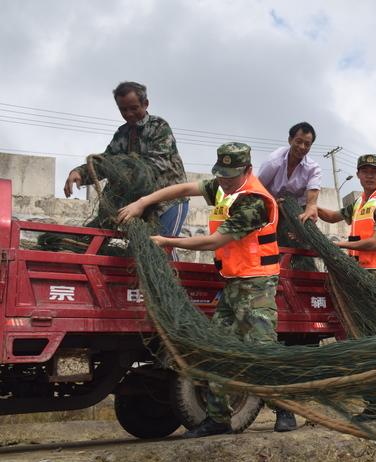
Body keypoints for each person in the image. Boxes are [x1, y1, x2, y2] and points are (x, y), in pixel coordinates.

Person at [117, 142, 297, 437]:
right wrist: (143, 202)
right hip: (233, 282)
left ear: (248, 170)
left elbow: (214, 242)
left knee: (262, 350)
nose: (224, 181)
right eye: (221, 175)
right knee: (215, 349)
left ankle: (285, 408)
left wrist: (167, 242)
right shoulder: (224, 188)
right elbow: (182, 190)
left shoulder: (254, 201)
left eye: (231, 175)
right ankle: (218, 419)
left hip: (258, 284)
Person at [318, 154, 376, 421]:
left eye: (375, 171)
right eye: (365, 171)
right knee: (365, 341)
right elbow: (334, 216)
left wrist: (337, 247)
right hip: (359, 277)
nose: (370, 176)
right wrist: (310, 207)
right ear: (357, 174)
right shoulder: (360, 204)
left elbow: (375, 243)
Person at [64, 81, 189, 242]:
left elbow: (154, 167)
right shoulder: (122, 134)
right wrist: (80, 172)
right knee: (137, 251)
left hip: (168, 202)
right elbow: (107, 161)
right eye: (123, 109)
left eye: (134, 108)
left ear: (145, 104)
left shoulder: (159, 128)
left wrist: (122, 170)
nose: (129, 113)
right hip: (140, 205)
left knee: (161, 247)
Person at [258, 122, 321, 271]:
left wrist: (311, 207)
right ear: (290, 140)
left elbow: (312, 196)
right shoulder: (274, 161)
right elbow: (258, 189)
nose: (302, 147)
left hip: (294, 209)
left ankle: (305, 270)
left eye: (307, 144)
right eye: (299, 141)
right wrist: (272, 202)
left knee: (300, 235)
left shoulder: (313, 168)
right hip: (268, 203)